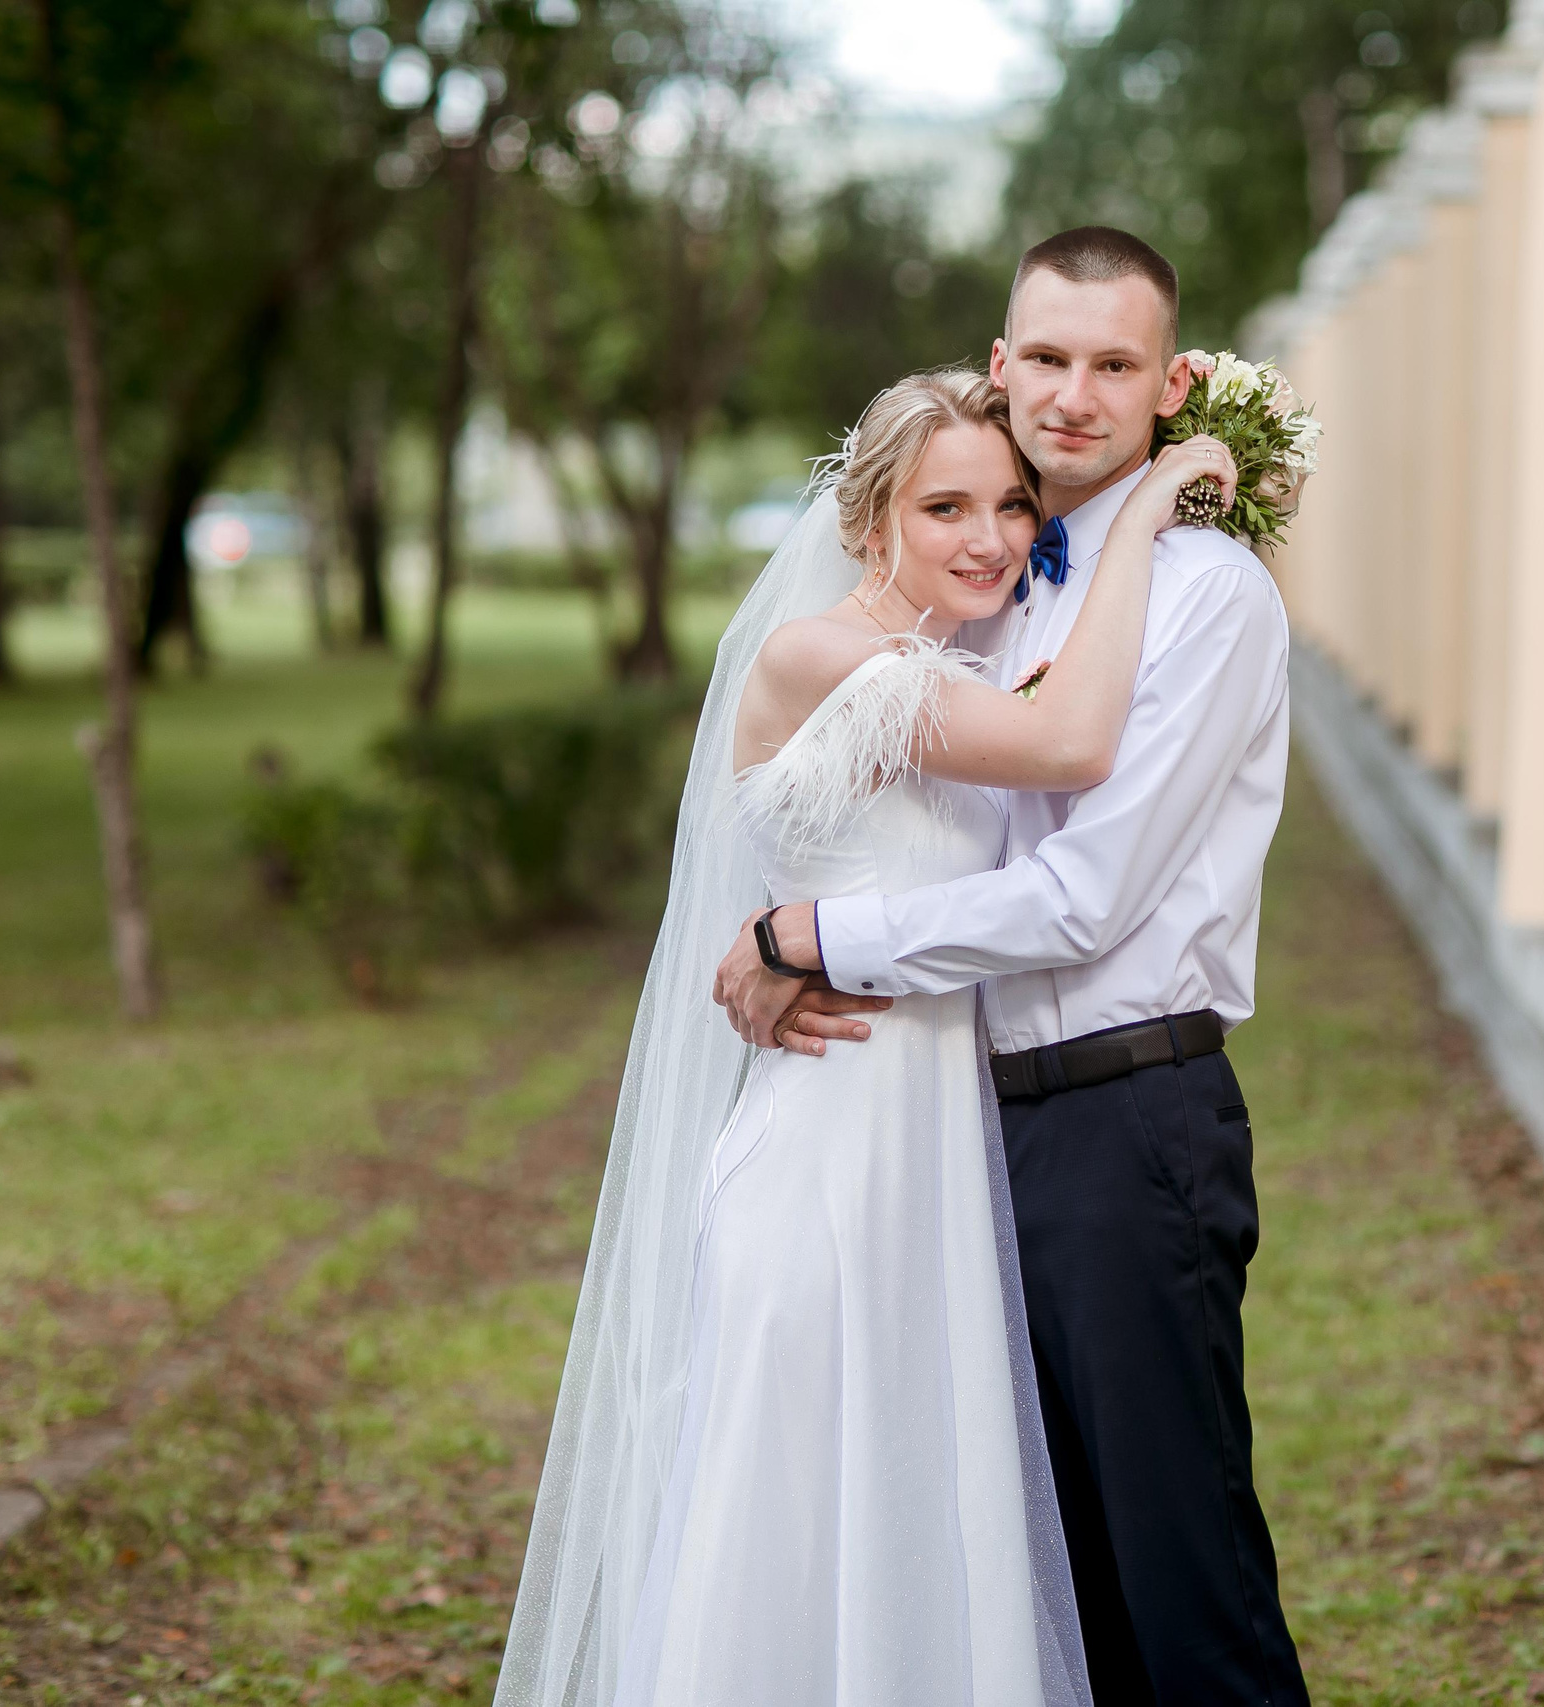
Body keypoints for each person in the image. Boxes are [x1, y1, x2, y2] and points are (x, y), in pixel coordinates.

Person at [495, 364, 1238, 1707]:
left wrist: (789, 940)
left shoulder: (950, 664)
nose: (993, 537)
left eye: (1015, 506)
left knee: (910, 1504)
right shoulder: (832, 659)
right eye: (944, 505)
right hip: (835, 1149)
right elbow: (1071, 744)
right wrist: (1138, 519)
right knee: (793, 1512)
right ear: (865, 523)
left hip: (930, 1142)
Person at [721, 227, 1312, 1707]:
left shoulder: (1203, 595)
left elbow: (1080, 898)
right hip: (961, 1133)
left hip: (1127, 1125)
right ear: (1000, 364)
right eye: (1045, 357)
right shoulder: (986, 582)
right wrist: (777, 930)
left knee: (1186, 1602)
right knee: (1056, 1602)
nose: (1072, 394)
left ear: (1169, 383)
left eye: (1115, 364)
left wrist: (814, 938)